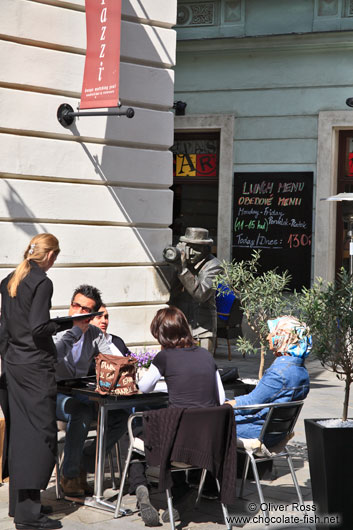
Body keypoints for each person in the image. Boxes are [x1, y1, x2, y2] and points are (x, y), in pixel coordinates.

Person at [128, 306, 226, 526]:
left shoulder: (164, 357)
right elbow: (220, 398)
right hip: (206, 444)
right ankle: (181, 494)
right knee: (177, 426)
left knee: (136, 430)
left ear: (161, 334)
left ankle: (141, 487)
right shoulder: (206, 355)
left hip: (177, 447)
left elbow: (143, 387)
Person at [0, 233, 67, 530]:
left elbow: (4, 327)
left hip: (14, 365)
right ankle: (28, 516)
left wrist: (7, 357)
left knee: (20, 433)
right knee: (41, 436)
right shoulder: (42, 281)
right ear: (50, 255)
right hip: (35, 368)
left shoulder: (10, 279)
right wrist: (64, 324)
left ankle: (22, 504)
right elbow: (40, 327)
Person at [54, 286, 129, 497]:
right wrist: (75, 330)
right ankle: (69, 475)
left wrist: (124, 368)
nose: (78, 310)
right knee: (81, 411)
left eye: (85, 308)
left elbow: (112, 360)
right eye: (75, 305)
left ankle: (82, 462)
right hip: (51, 394)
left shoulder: (95, 333)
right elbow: (53, 356)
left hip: (79, 391)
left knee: (120, 415)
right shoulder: (55, 328)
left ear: (93, 314)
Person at [227, 315, 312, 446]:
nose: (267, 338)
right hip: (277, 432)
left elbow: (250, 404)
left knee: (211, 424)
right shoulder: (301, 370)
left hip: (260, 432)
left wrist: (222, 405)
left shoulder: (279, 373)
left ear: (284, 336)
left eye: (272, 333)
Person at [167, 227, 223, 352]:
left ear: (206, 249)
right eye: (189, 247)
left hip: (202, 329)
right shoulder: (182, 262)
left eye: (196, 249)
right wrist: (175, 265)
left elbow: (201, 294)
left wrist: (182, 270)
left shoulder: (214, 266)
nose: (191, 252)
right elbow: (169, 290)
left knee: (202, 368)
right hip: (179, 327)